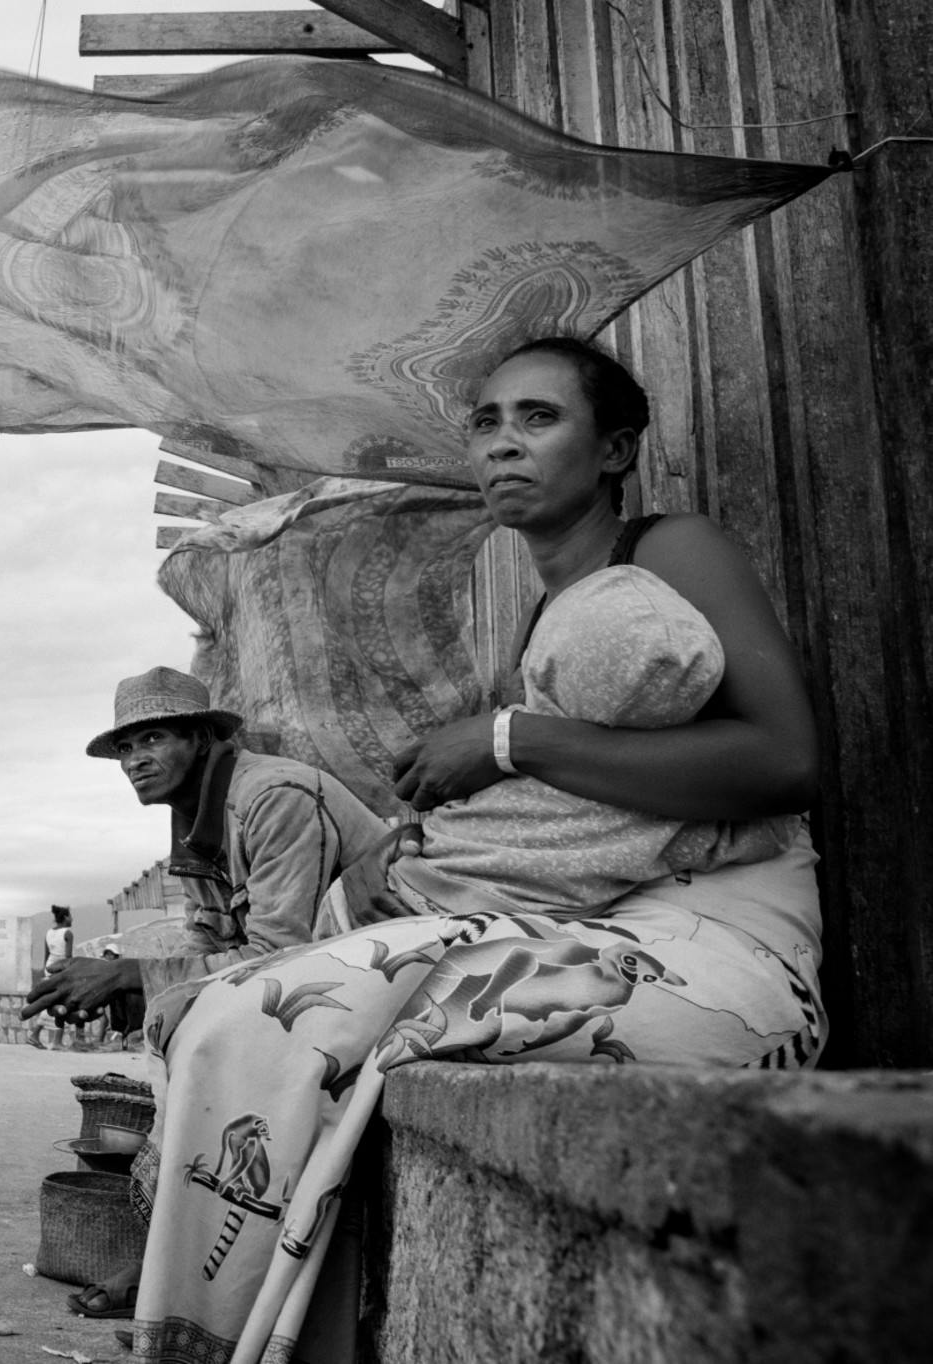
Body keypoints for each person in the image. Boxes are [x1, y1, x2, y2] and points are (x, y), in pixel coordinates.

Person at [125, 338, 826, 1364]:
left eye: (537, 418)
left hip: (718, 946)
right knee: (245, 1011)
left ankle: (207, 1341)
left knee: (264, 1013)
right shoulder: (541, 611)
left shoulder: (666, 550)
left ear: (615, 447)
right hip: (591, 925)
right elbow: (570, 825)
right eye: (486, 422)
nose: (503, 444)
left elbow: (785, 758)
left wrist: (506, 739)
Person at [25, 665, 388, 1317]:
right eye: (126, 750)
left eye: (153, 739)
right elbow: (210, 944)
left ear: (198, 739)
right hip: (319, 983)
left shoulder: (273, 796)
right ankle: (179, 1266)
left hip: (378, 972)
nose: (135, 761)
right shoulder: (195, 828)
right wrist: (128, 988)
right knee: (184, 1039)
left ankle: (208, 1284)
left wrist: (129, 976)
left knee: (223, 1068)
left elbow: (283, 956)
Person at [391, 565, 794, 918]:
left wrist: (509, 736)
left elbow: (787, 770)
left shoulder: (526, 753)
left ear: (548, 671)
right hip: (472, 910)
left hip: (424, 884)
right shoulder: (668, 815)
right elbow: (764, 832)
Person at [29, 906, 76, 1049]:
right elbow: (68, 957)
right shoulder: (68, 933)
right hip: (61, 970)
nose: (72, 919)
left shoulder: (49, 933)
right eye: (70, 916)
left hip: (49, 969)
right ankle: (56, 1041)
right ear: (65, 917)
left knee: (50, 1004)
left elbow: (46, 955)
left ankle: (35, 1035)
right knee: (63, 1004)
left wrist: (46, 974)